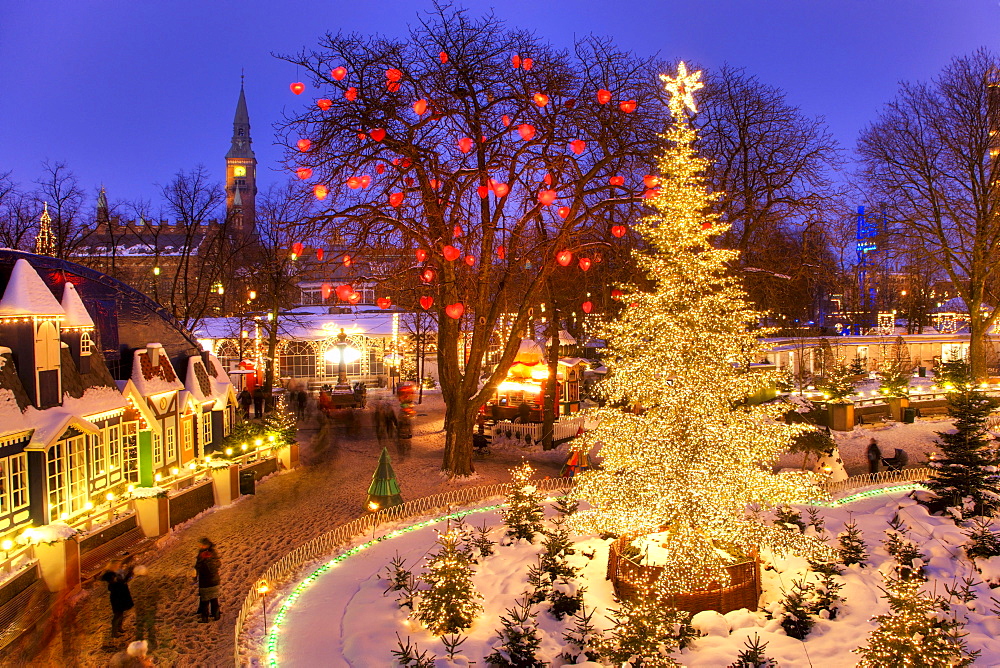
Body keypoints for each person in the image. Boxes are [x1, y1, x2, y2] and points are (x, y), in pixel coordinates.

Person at [101, 556, 135, 637]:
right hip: (117, 598)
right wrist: (128, 575)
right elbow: (120, 583)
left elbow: (123, 581)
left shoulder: (116, 573)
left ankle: (119, 628)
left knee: (121, 613)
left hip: (121, 595)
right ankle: (114, 632)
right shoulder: (110, 575)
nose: (119, 566)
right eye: (118, 564)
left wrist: (129, 575)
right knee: (117, 614)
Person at [194, 537, 222, 622]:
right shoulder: (213, 553)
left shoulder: (202, 555)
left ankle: (205, 617)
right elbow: (218, 564)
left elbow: (198, 566)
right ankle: (216, 614)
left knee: (205, 600)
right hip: (215, 580)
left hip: (205, 581)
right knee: (214, 598)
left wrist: (195, 575)